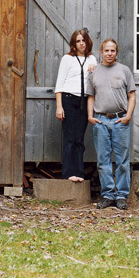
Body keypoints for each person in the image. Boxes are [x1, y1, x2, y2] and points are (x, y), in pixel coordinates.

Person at [86, 39, 136, 210]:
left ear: (117, 52)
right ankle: (107, 194)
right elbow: (91, 96)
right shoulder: (94, 72)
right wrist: (90, 116)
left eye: (112, 51)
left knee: (122, 160)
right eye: (106, 50)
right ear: (101, 52)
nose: (109, 54)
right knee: (103, 160)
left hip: (119, 120)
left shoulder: (124, 71)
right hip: (100, 121)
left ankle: (121, 195)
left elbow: (132, 95)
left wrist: (128, 116)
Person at [54, 29, 97, 182]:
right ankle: (68, 173)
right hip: (68, 99)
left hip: (84, 101)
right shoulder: (67, 59)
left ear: (87, 42)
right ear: (74, 43)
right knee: (69, 138)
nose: (81, 44)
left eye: (83, 40)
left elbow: (96, 82)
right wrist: (59, 106)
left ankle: (79, 173)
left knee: (79, 138)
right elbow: (59, 84)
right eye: (78, 41)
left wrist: (94, 70)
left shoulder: (92, 59)